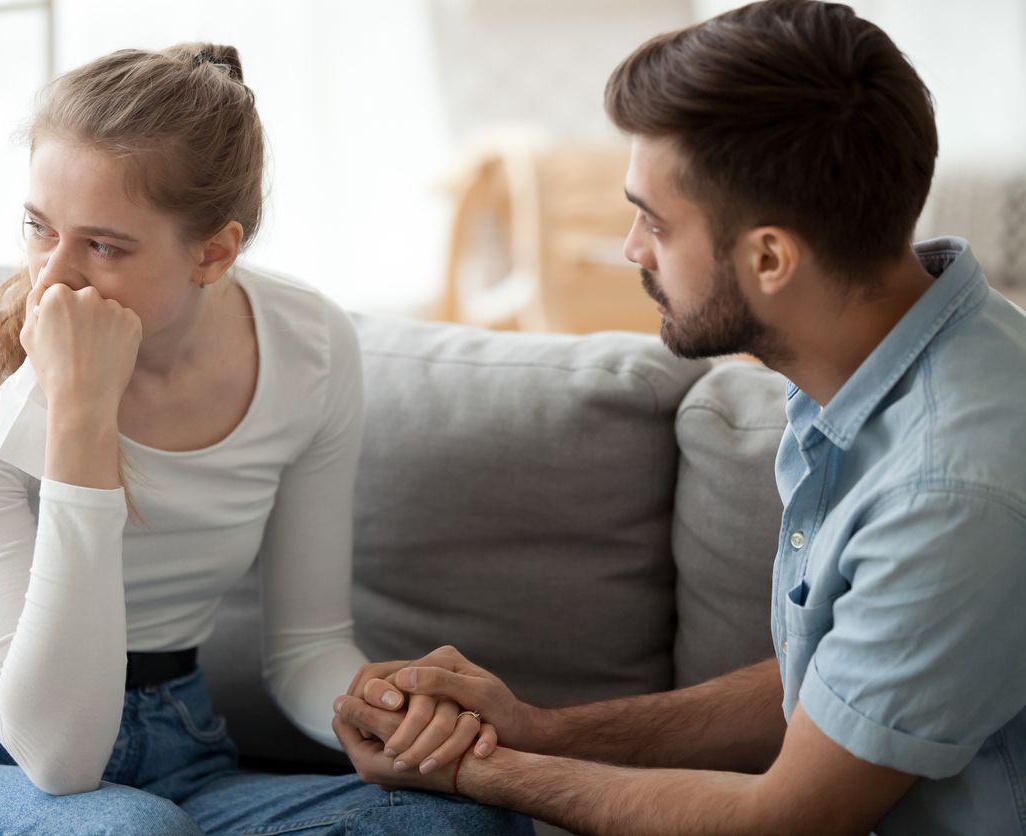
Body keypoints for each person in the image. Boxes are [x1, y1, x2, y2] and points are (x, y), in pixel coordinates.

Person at [333, 2, 1026, 833]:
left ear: (770, 258)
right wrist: (539, 730)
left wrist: (478, 769)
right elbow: (838, 682)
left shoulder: (949, 488)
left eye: (655, 221)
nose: (632, 248)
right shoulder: (890, 359)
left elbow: (785, 817)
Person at [0, 43, 531, 836]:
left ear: (215, 252)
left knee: (467, 822)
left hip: (176, 751)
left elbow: (305, 646)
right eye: (38, 228)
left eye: (105, 246)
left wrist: (377, 711)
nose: (53, 281)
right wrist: (81, 416)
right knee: (130, 830)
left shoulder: (309, 346)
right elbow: (60, 759)